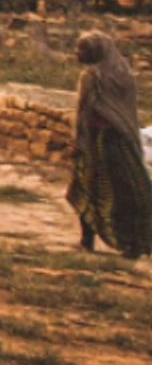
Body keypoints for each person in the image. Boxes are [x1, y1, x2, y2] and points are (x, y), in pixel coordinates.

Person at [67, 31, 151, 258]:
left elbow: (84, 112)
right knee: (132, 191)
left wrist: (79, 142)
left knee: (88, 188)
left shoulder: (92, 77)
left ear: (96, 52)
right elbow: (127, 112)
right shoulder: (124, 74)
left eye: (83, 50)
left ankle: (88, 240)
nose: (78, 54)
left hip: (98, 141)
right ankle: (133, 243)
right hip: (123, 141)